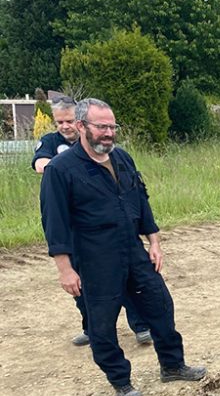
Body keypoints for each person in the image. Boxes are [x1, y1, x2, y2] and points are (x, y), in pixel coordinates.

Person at [40, 98, 206, 396]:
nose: (108, 133)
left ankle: (172, 365)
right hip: (93, 257)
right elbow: (55, 222)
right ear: (81, 127)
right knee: (102, 323)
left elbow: (140, 200)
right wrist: (65, 268)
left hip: (132, 248)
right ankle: (121, 382)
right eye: (100, 127)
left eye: (112, 126)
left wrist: (154, 240)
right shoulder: (61, 170)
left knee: (160, 305)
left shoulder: (123, 159)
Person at [33, 97, 153, 348]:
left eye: (68, 121)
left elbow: (137, 195)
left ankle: (141, 326)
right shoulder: (51, 143)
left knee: (129, 280)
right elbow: (40, 163)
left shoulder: (108, 150)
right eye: (60, 122)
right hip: (78, 228)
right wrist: (58, 168)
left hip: (108, 228)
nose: (64, 126)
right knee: (84, 289)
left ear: (80, 124)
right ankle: (92, 328)